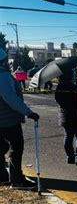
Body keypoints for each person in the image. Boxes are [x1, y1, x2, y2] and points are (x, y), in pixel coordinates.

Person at [0, 48, 40, 189]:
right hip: (7, 119)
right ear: (4, 61)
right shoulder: (3, 76)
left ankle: (2, 177)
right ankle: (17, 180)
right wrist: (28, 112)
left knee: (1, 147)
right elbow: (11, 99)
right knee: (16, 148)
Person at [54, 70, 77, 166]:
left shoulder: (59, 87)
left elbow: (58, 100)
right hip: (75, 114)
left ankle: (70, 156)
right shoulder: (72, 87)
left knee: (68, 136)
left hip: (64, 115)